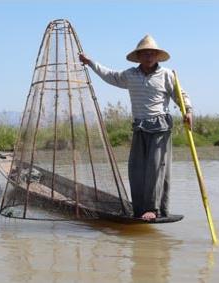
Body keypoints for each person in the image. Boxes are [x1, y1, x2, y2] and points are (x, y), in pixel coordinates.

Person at [79, 35, 192, 220]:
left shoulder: (166, 75)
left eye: (152, 54)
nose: (148, 57)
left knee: (157, 168)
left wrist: (187, 110)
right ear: (138, 57)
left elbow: (181, 95)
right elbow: (110, 75)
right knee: (136, 169)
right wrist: (90, 62)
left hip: (160, 128)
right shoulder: (131, 75)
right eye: (145, 54)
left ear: (157, 56)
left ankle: (154, 209)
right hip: (139, 127)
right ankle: (140, 209)